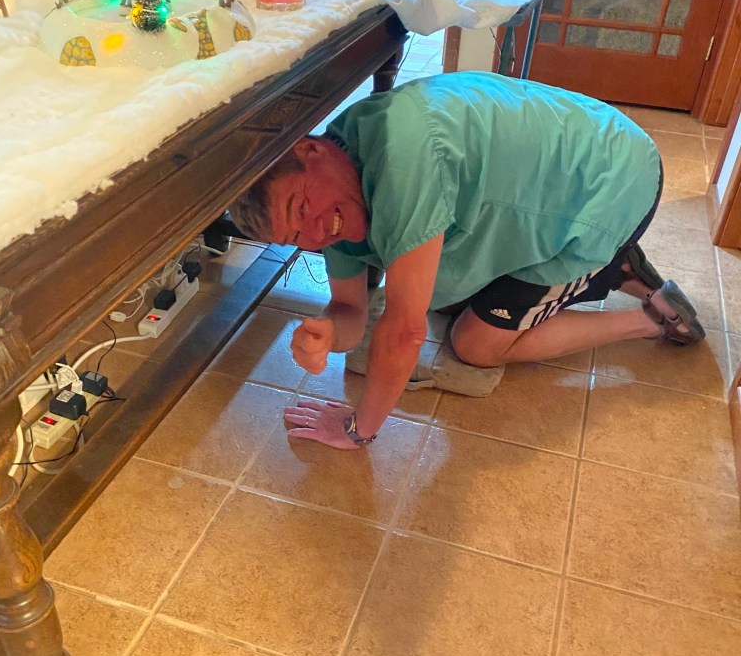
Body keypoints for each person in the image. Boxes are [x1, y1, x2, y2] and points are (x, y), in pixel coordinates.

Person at [230, 71, 705, 451]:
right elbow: (351, 310)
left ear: (311, 151)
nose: (317, 235)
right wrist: (331, 332)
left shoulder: (403, 161)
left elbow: (404, 332)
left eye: (301, 209)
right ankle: (614, 270)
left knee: (475, 344)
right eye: (297, 237)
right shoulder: (340, 171)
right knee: (435, 293)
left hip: (611, 187)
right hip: (581, 151)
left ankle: (647, 316)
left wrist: (359, 430)